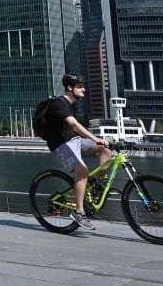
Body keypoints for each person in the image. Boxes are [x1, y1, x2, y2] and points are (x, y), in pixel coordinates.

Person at [45, 73, 111, 230]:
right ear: (70, 87)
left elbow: (75, 130)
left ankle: (99, 186)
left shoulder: (74, 103)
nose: (84, 90)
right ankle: (79, 212)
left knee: (105, 151)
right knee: (82, 172)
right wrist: (95, 138)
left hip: (75, 141)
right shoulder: (59, 103)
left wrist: (98, 141)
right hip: (61, 145)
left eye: (84, 86)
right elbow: (74, 125)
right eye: (80, 87)